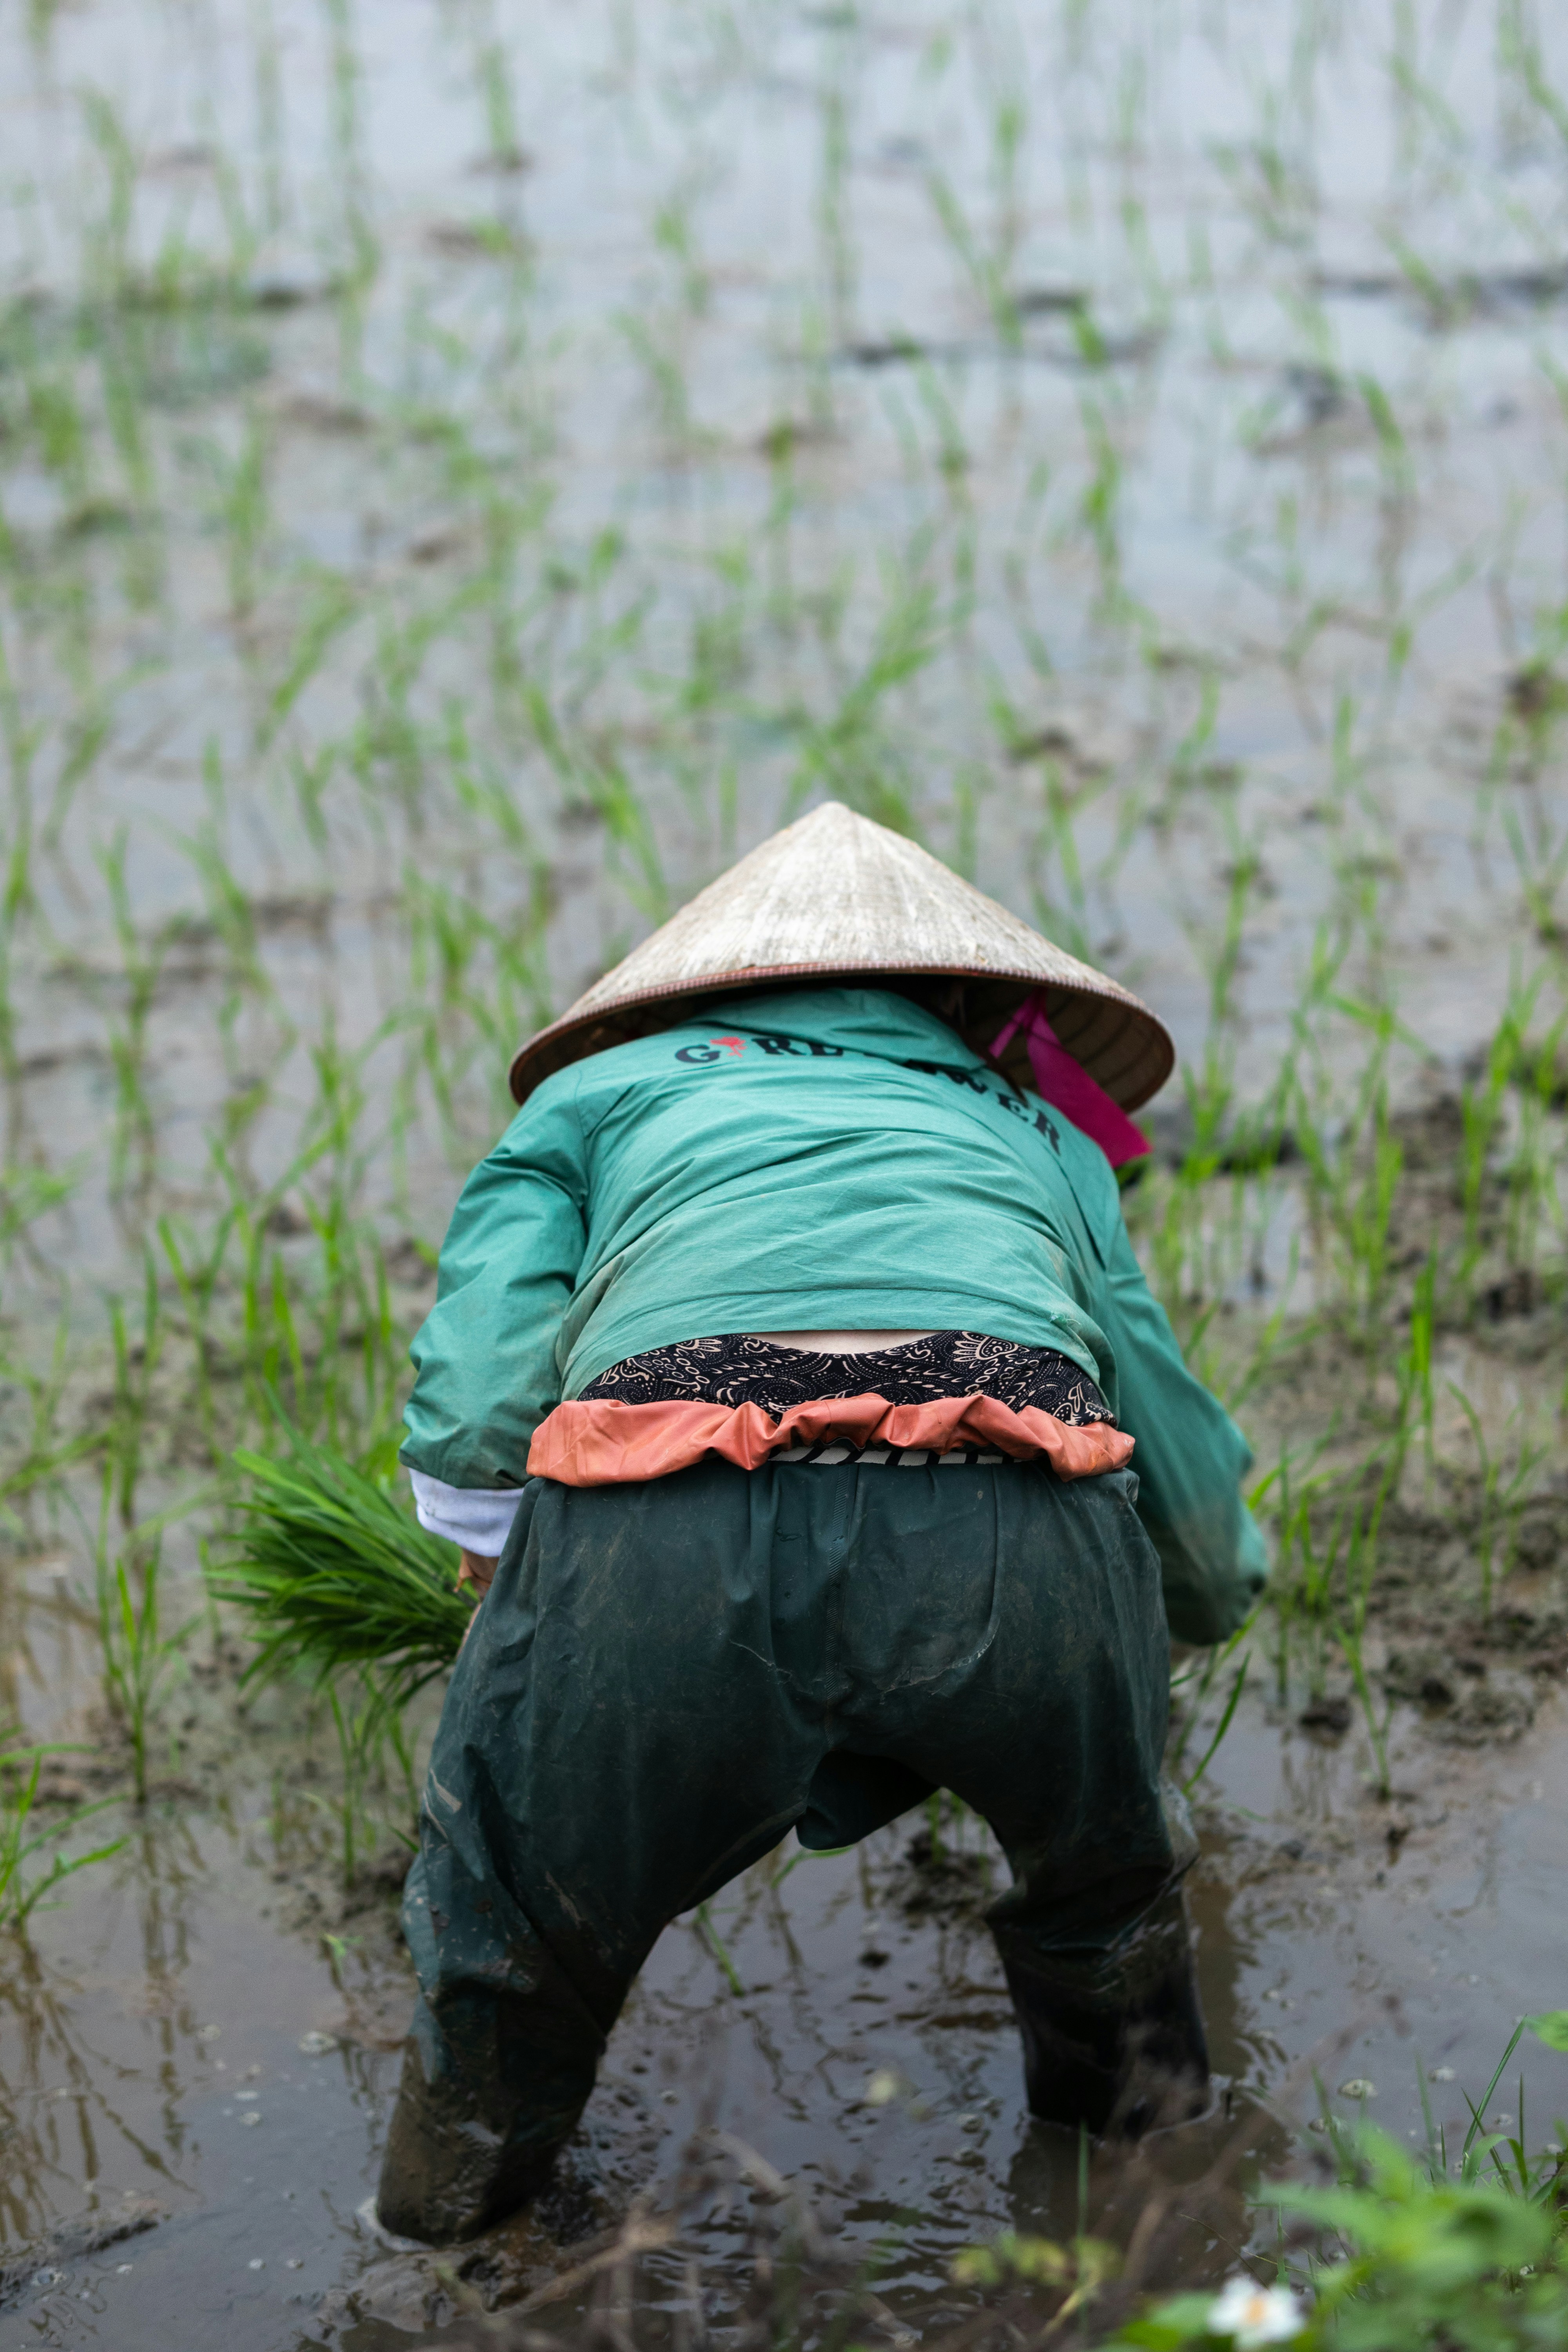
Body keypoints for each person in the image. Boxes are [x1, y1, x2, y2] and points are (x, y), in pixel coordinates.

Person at [375, 802, 1267, 2245]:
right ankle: (1153, 2231)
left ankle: (450, 2235)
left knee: (506, 1932)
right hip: (1023, 1512)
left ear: (694, 994)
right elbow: (1160, 1426)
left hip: (667, 1512)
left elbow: (483, 1371)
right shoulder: (1036, 1128)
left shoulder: (601, 1098)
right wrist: (1204, 1599)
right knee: (1108, 1898)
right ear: (972, 1004)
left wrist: (498, 1560)